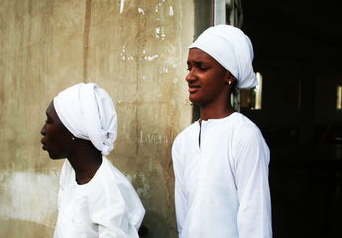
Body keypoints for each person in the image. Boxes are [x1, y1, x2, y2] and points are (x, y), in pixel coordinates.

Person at [171, 25, 272, 238]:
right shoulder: (183, 142)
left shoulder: (244, 136)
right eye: (189, 67)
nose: (190, 76)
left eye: (201, 67)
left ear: (228, 75)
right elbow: (184, 220)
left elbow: (256, 221)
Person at [40, 82, 145, 238]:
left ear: (73, 130)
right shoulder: (70, 171)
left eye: (49, 121)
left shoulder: (109, 193)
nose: (43, 130)